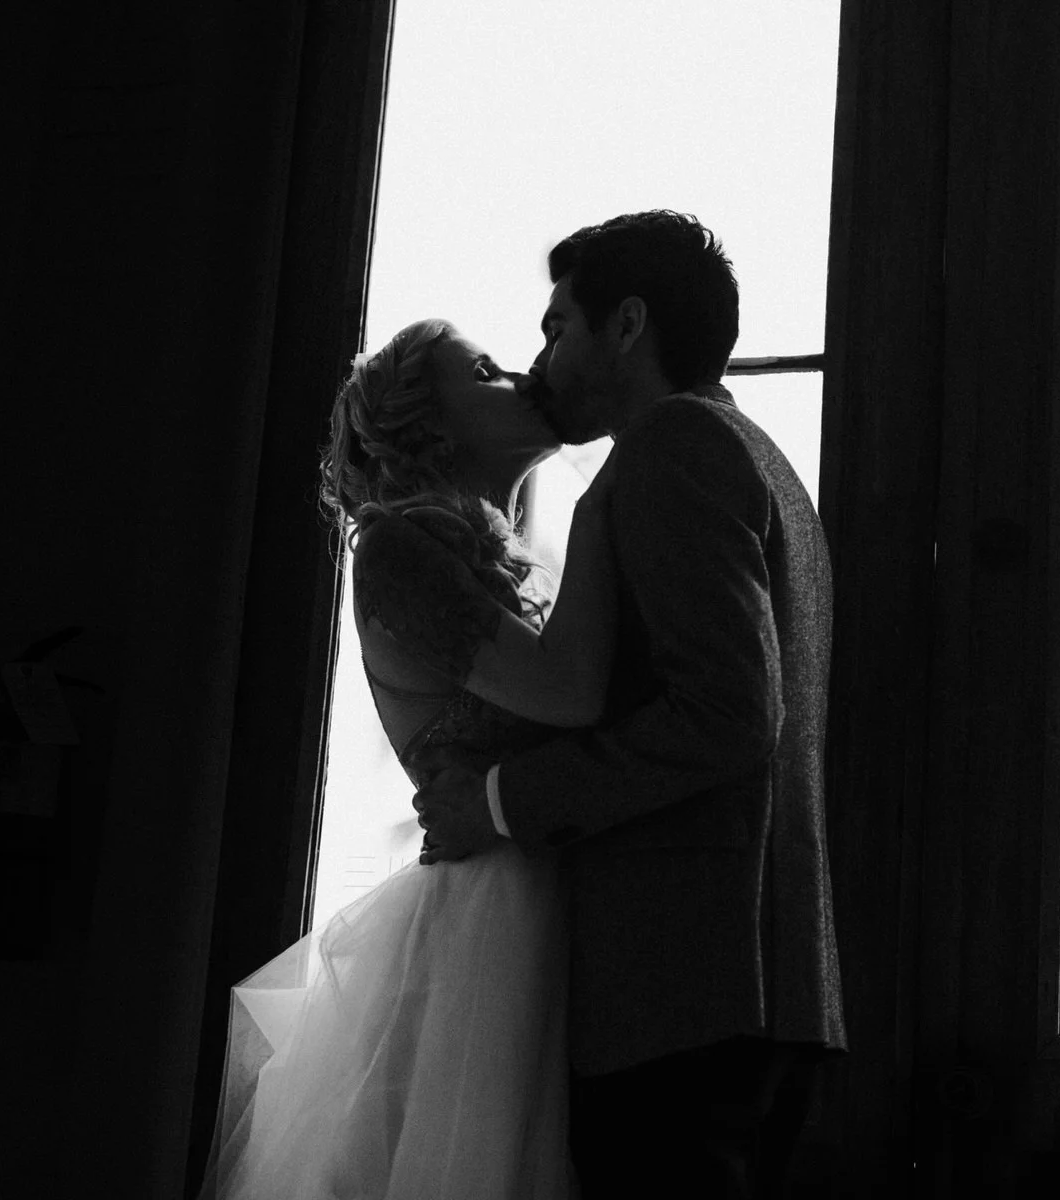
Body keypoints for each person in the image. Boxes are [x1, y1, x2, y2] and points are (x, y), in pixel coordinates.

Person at [407, 210, 846, 1197]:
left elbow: (730, 717)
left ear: (628, 324)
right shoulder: (760, 458)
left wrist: (502, 800)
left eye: (558, 326)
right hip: (750, 990)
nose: (541, 358)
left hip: (681, 995)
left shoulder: (674, 446)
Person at [198, 316, 617, 1198]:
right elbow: (571, 698)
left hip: (564, 897)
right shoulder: (398, 552)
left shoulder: (513, 557)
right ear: (426, 420)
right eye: (487, 371)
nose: (521, 377)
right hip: (496, 919)